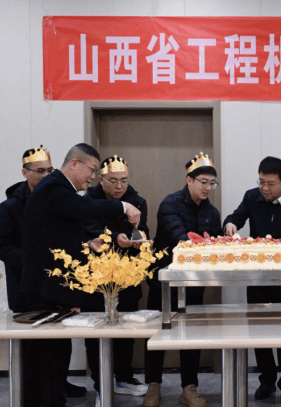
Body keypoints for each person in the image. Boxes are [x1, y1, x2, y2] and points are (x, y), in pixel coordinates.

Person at [20, 143, 141, 407]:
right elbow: (84, 208)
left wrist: (86, 244)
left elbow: (54, 234)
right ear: (74, 164)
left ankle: (51, 399)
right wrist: (123, 207)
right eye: (92, 170)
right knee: (46, 356)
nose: (92, 177)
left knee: (56, 353)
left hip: (51, 286)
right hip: (43, 287)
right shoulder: (55, 187)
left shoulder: (59, 189)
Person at [0, 146, 88, 402]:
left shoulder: (60, 199)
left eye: (49, 170)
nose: (46, 175)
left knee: (59, 344)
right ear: (25, 173)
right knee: (32, 349)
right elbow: (3, 246)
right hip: (26, 287)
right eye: (39, 171)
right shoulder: (10, 207)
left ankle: (57, 390)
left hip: (57, 286)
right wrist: (34, 259)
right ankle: (32, 397)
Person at [224, 156, 281, 408]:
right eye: (261, 182)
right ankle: (267, 380)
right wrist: (230, 223)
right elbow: (236, 216)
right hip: (258, 276)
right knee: (258, 331)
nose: (264, 188)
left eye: (270, 184)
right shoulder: (252, 197)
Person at [143, 152, 222, 408]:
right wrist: (204, 244)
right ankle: (153, 386)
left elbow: (215, 244)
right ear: (189, 180)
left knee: (191, 336)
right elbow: (180, 238)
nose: (208, 188)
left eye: (212, 183)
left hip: (193, 284)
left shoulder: (212, 212)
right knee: (158, 334)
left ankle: (189, 387)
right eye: (203, 182)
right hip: (164, 281)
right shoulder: (170, 204)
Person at [83, 155, 149, 398]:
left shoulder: (137, 201)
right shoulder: (87, 200)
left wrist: (135, 239)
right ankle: (101, 385)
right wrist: (111, 238)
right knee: (95, 333)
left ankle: (123, 378)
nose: (119, 186)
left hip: (126, 275)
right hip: (95, 277)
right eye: (113, 181)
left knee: (126, 331)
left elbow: (141, 230)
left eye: (124, 180)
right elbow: (86, 230)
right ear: (100, 180)